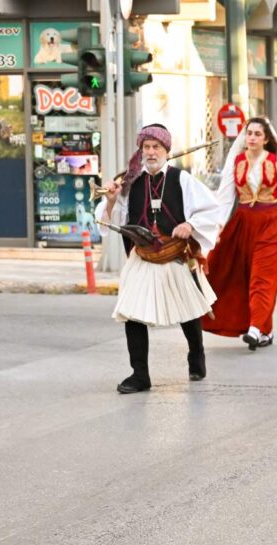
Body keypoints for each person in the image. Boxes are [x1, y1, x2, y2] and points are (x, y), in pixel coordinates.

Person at [96, 124, 226, 393]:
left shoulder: (182, 179)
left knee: (188, 310)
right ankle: (140, 374)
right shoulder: (129, 183)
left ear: (166, 150)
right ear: (141, 151)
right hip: (143, 256)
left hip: (174, 254)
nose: (151, 152)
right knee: (131, 313)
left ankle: (196, 354)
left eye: (156, 147)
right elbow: (112, 220)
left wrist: (190, 225)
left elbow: (212, 211)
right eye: (146, 147)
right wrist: (110, 200)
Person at [203, 117, 277, 350]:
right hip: (243, 222)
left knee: (263, 277)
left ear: (266, 138)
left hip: (272, 222)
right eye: (249, 133)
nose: (252, 138)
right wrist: (218, 228)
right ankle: (265, 330)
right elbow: (225, 197)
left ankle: (254, 327)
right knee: (243, 275)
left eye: (258, 134)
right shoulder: (236, 162)